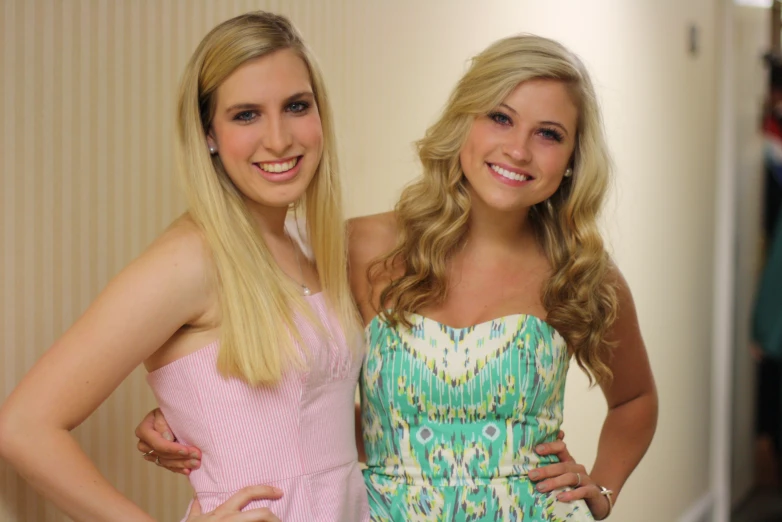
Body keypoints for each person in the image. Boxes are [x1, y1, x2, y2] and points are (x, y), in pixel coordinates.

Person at [138, 34, 658, 521]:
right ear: (464, 124)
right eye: (500, 118)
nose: (519, 149)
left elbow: (635, 401)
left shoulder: (583, 273)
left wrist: (603, 490)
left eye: (549, 134)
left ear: (571, 160)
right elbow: (288, 357)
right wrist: (186, 415)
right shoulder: (358, 247)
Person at [0, 11, 368, 522]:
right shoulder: (190, 260)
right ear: (208, 134)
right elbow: (22, 426)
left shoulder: (308, 246)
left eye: (296, 106)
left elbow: (307, 425)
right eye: (246, 115)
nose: (280, 139)